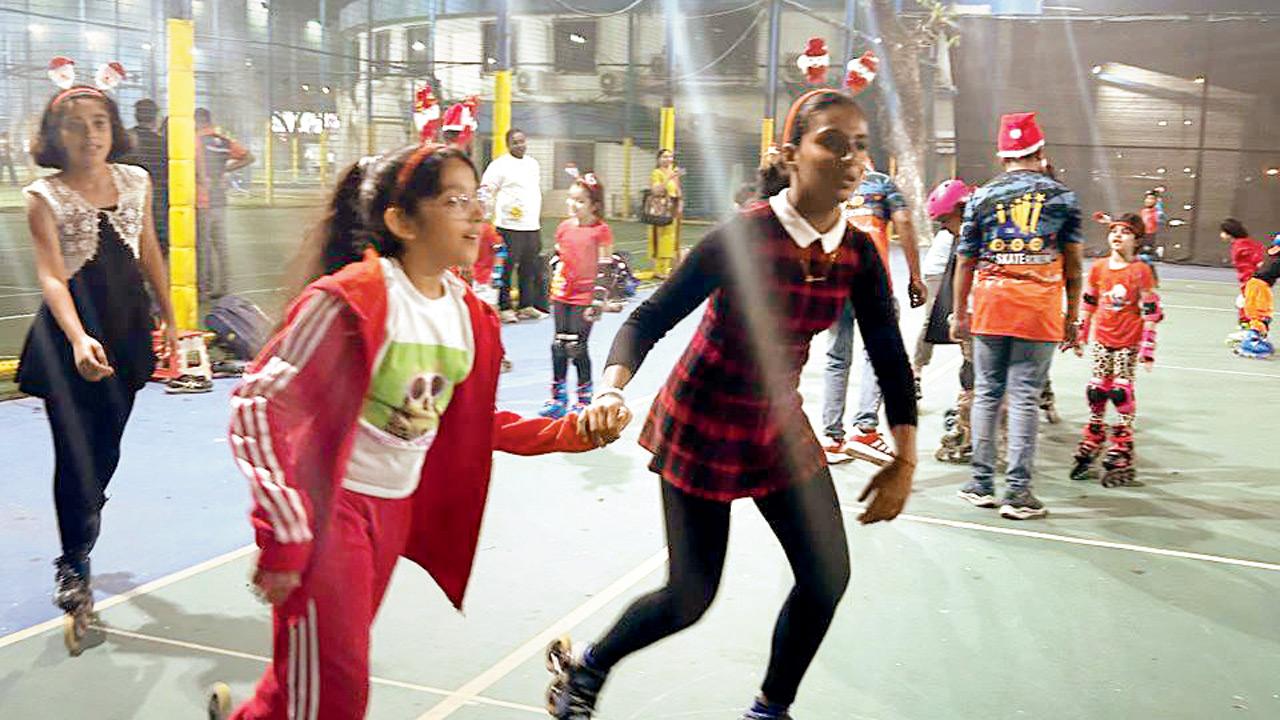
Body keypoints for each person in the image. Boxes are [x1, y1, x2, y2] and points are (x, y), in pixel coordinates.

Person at [545, 89, 918, 720]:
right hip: (702, 420)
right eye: (831, 142)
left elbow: (888, 352)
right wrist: (610, 389)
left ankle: (769, 710)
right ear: (790, 155)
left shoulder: (857, 254)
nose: (852, 159)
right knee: (690, 595)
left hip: (775, 424)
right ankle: (587, 668)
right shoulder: (745, 234)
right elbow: (649, 318)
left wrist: (904, 459)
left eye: (860, 146)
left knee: (826, 578)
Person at [209, 145, 613, 720]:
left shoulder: (467, 316)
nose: (477, 213)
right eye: (455, 200)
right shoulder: (352, 300)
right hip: (331, 514)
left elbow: (468, 425)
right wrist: (285, 529)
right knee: (339, 693)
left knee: (304, 678)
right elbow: (258, 406)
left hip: (391, 515)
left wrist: (567, 433)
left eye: (476, 198)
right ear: (402, 221)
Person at [18, 85, 177, 653]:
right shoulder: (43, 196)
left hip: (127, 333)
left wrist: (171, 315)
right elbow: (51, 274)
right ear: (54, 135)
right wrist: (78, 337)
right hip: (69, 342)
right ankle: (73, 563)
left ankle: (85, 511)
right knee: (74, 454)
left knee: (105, 452)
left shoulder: (136, 181)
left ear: (114, 129)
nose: (90, 135)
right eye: (76, 124)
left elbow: (149, 248)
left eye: (100, 122)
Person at [951, 111, 1084, 521]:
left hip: (991, 306)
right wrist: (1073, 316)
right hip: (1039, 309)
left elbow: (965, 261)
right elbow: (1074, 266)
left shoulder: (981, 197)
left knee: (988, 392)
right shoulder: (1063, 198)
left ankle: (980, 484)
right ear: (1040, 151)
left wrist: (959, 313)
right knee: (1024, 395)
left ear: (1003, 155)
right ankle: (1018, 492)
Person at [821, 158, 927, 466]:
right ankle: (865, 430)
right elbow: (904, 222)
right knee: (877, 354)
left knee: (836, 357)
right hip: (872, 282)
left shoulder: (827, 186)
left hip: (835, 282)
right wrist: (915, 276)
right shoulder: (881, 183)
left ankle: (831, 438)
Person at [1069, 213, 1162, 487]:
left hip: (1128, 340)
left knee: (1121, 392)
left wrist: (1148, 346)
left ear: (1137, 239)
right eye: (1114, 231)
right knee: (1096, 390)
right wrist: (1081, 333)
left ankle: (1122, 443)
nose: (1118, 236)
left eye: (1125, 232)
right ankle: (1095, 434)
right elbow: (1089, 302)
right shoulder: (1099, 267)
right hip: (1103, 338)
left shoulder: (1140, 270)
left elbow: (1150, 309)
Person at [540, 171, 613, 418]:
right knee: (558, 345)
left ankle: (583, 398)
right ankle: (558, 396)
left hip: (585, 298)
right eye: (571, 198)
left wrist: (598, 300)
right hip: (562, 295)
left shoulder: (600, 231)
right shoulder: (563, 228)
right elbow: (558, 257)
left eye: (580, 201)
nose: (573, 204)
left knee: (577, 347)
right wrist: (554, 274)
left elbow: (605, 267)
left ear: (595, 205)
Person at [913, 178, 971, 392]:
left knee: (968, 322)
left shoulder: (976, 218)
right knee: (934, 320)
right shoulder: (958, 231)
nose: (944, 227)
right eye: (941, 222)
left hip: (961, 266)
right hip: (938, 271)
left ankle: (969, 380)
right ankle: (915, 371)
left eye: (945, 220)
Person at [480, 127, 544, 322]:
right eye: (515, 142)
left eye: (522, 141)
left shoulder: (533, 164)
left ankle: (526, 306)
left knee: (529, 267)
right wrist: (485, 216)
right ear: (508, 145)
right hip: (508, 226)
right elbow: (486, 191)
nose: (520, 145)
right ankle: (505, 307)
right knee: (506, 268)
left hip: (531, 226)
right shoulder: (499, 166)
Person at [195, 107, 255, 302]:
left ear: (197, 121)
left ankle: (203, 289)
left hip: (202, 199)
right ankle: (223, 286)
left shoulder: (195, 141)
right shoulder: (224, 141)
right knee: (220, 245)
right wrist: (227, 169)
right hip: (220, 199)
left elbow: (196, 168)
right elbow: (249, 157)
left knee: (202, 246)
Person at [124, 98, 169, 255]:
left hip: (129, 201)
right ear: (155, 117)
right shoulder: (163, 144)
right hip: (158, 202)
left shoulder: (125, 140)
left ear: (136, 115)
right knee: (158, 246)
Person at [1234, 233, 1279, 360]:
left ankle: (1256, 338)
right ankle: (1251, 342)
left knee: (1260, 314)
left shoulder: (1272, 253)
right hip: (1260, 287)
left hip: (1256, 285)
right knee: (1261, 315)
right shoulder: (1277, 259)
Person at [1222, 218, 1265, 334]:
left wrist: (1258, 269)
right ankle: (1249, 330)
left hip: (1251, 280)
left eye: (1223, 232)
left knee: (1246, 305)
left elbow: (1258, 259)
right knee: (1243, 303)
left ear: (1229, 233)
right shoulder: (1243, 243)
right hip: (1249, 280)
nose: (1221, 235)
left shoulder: (1242, 245)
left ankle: (1250, 331)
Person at [647, 148, 684, 278]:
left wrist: (680, 204)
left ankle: (669, 268)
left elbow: (677, 191)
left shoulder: (673, 173)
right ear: (658, 159)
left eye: (670, 157)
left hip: (672, 209)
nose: (668, 159)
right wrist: (669, 177)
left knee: (671, 238)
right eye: (665, 157)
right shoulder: (656, 173)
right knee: (659, 237)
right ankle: (658, 270)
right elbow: (656, 190)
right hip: (660, 210)